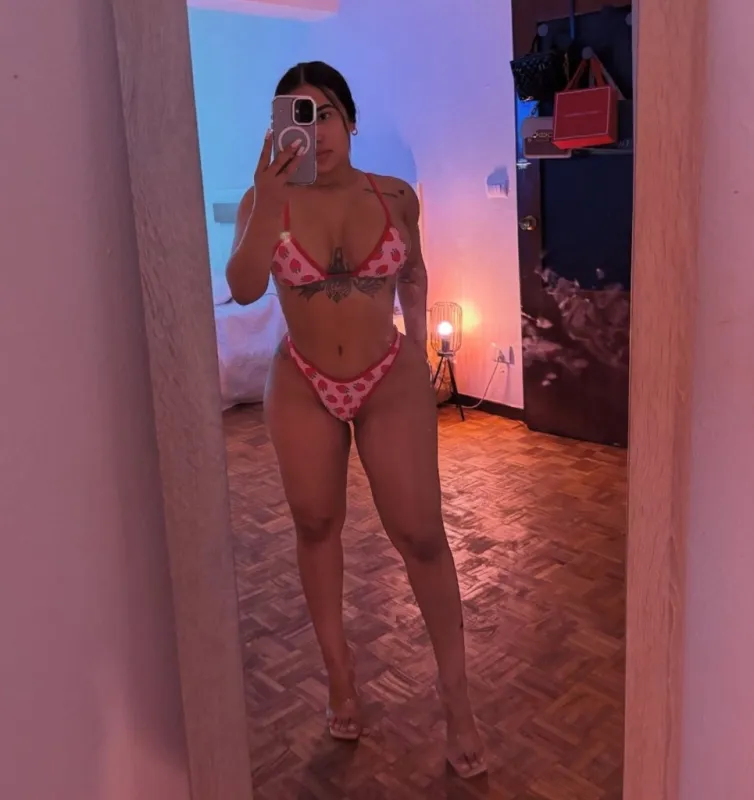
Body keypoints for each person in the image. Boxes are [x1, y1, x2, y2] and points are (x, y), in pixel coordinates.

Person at [226, 61, 486, 779]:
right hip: (302, 381)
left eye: (327, 114)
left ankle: (457, 697)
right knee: (315, 525)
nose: (316, 132)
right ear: (279, 130)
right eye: (298, 118)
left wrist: (418, 346)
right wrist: (269, 200)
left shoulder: (395, 195)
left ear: (350, 120)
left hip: (387, 376)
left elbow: (414, 272)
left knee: (422, 534)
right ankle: (340, 678)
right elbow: (243, 288)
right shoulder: (262, 200)